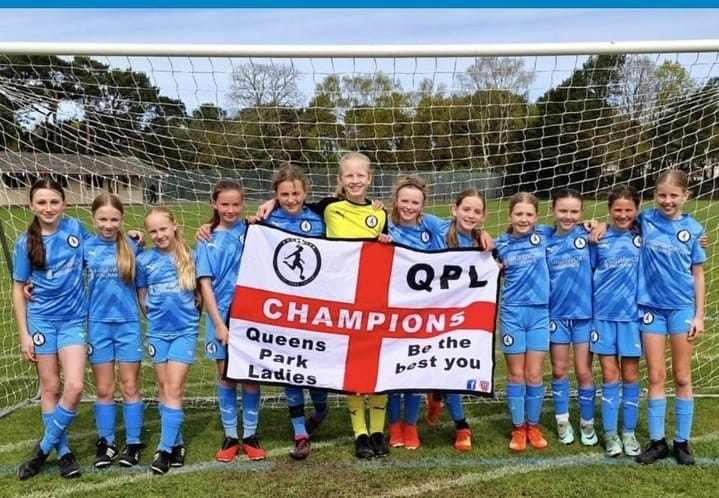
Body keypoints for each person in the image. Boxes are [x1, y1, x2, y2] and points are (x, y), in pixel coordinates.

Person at [257, 151, 390, 459]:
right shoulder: (325, 209)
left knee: (365, 362)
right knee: (294, 365)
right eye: (349, 176)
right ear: (339, 180)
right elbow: (292, 202)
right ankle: (313, 432)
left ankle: (370, 428)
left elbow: (394, 252)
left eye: (360, 175)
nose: (355, 180)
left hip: (360, 303)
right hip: (310, 304)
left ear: (369, 179)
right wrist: (271, 203)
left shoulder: (379, 213)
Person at [14, 178, 89, 480]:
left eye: (54, 201)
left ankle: (42, 449)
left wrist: (133, 238)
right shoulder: (24, 242)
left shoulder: (75, 230)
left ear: (64, 204)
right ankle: (64, 452)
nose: (48, 208)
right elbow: (18, 288)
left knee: (74, 387)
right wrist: (24, 334)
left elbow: (100, 252)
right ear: (32, 205)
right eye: (42, 202)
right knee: (51, 388)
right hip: (41, 322)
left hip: (72, 320)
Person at [633, 170, 706, 465]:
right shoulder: (645, 220)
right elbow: (619, 218)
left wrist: (699, 315)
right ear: (655, 196)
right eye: (662, 195)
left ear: (686, 196)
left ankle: (682, 442)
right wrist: (594, 225)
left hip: (681, 310)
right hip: (650, 309)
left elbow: (698, 276)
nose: (667, 200)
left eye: (674, 195)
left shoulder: (695, 230)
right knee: (655, 376)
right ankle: (657, 441)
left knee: (682, 375)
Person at [196, 180, 267, 463]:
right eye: (224, 204)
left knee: (249, 376)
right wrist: (218, 323)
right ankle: (230, 436)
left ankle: (250, 435)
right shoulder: (206, 238)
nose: (230, 209)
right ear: (214, 204)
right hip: (220, 316)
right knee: (226, 375)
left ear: (243, 203)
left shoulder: (252, 231)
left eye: (236, 204)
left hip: (249, 316)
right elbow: (205, 283)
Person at [262, 164, 330, 460]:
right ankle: (300, 433)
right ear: (276, 195)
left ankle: (322, 409)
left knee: (314, 369)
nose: (291, 199)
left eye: (296, 193)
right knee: (290, 367)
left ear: (306, 193)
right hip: (280, 310)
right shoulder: (265, 221)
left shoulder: (318, 219)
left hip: (315, 309)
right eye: (284, 194)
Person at [136, 207, 200, 475]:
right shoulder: (144, 261)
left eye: (163, 228)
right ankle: (177, 443)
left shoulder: (192, 256)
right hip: (157, 333)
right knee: (164, 388)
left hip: (184, 331)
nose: (159, 235)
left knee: (174, 388)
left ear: (174, 225)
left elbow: (200, 295)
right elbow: (142, 297)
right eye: (153, 231)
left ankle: (163, 449)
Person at [385, 175, 446, 451]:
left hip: (420, 311)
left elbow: (461, 230)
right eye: (405, 201)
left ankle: (410, 426)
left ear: (422, 205)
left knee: (412, 370)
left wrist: (481, 234)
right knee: (391, 372)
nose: (409, 206)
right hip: (389, 310)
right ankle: (394, 426)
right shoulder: (383, 222)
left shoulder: (430, 225)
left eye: (415, 202)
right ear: (396, 201)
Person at [86, 193, 146, 469]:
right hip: (98, 325)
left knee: (130, 386)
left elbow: (155, 268)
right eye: (103, 219)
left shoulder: (132, 246)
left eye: (114, 219)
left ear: (121, 219)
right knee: (104, 388)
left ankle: (133, 443)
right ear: (93, 218)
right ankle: (106, 442)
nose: (108, 225)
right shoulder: (86, 247)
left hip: (128, 325)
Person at [430, 188, 490, 452]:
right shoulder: (437, 228)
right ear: (454, 210)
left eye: (477, 211)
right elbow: (407, 213)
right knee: (435, 366)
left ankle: (462, 426)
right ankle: (435, 396)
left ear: (484, 216)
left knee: (453, 369)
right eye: (466, 209)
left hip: (462, 317)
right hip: (430, 312)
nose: (471, 215)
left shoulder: (483, 243)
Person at [493, 192, 550, 452]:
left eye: (529, 214)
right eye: (519, 214)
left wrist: (595, 224)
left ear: (537, 217)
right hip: (512, 315)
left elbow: (573, 230)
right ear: (510, 216)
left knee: (534, 374)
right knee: (516, 374)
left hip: (540, 314)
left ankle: (533, 426)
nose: (524, 219)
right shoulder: (499, 244)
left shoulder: (547, 236)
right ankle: (518, 429)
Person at [589, 185, 642, 458]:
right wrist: (595, 226)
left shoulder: (641, 237)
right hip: (603, 318)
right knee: (610, 376)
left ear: (636, 210)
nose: (623, 215)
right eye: (617, 210)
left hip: (632, 319)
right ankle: (611, 435)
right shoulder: (598, 239)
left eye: (628, 210)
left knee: (631, 376)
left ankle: (629, 433)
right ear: (609, 210)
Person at [546, 189, 597, 447]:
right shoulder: (543, 239)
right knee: (559, 369)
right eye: (563, 210)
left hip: (584, 316)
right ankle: (562, 421)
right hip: (556, 315)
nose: (568, 216)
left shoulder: (589, 237)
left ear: (581, 213)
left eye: (574, 211)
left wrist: (601, 226)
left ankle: (587, 423)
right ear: (553, 211)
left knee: (583, 371)